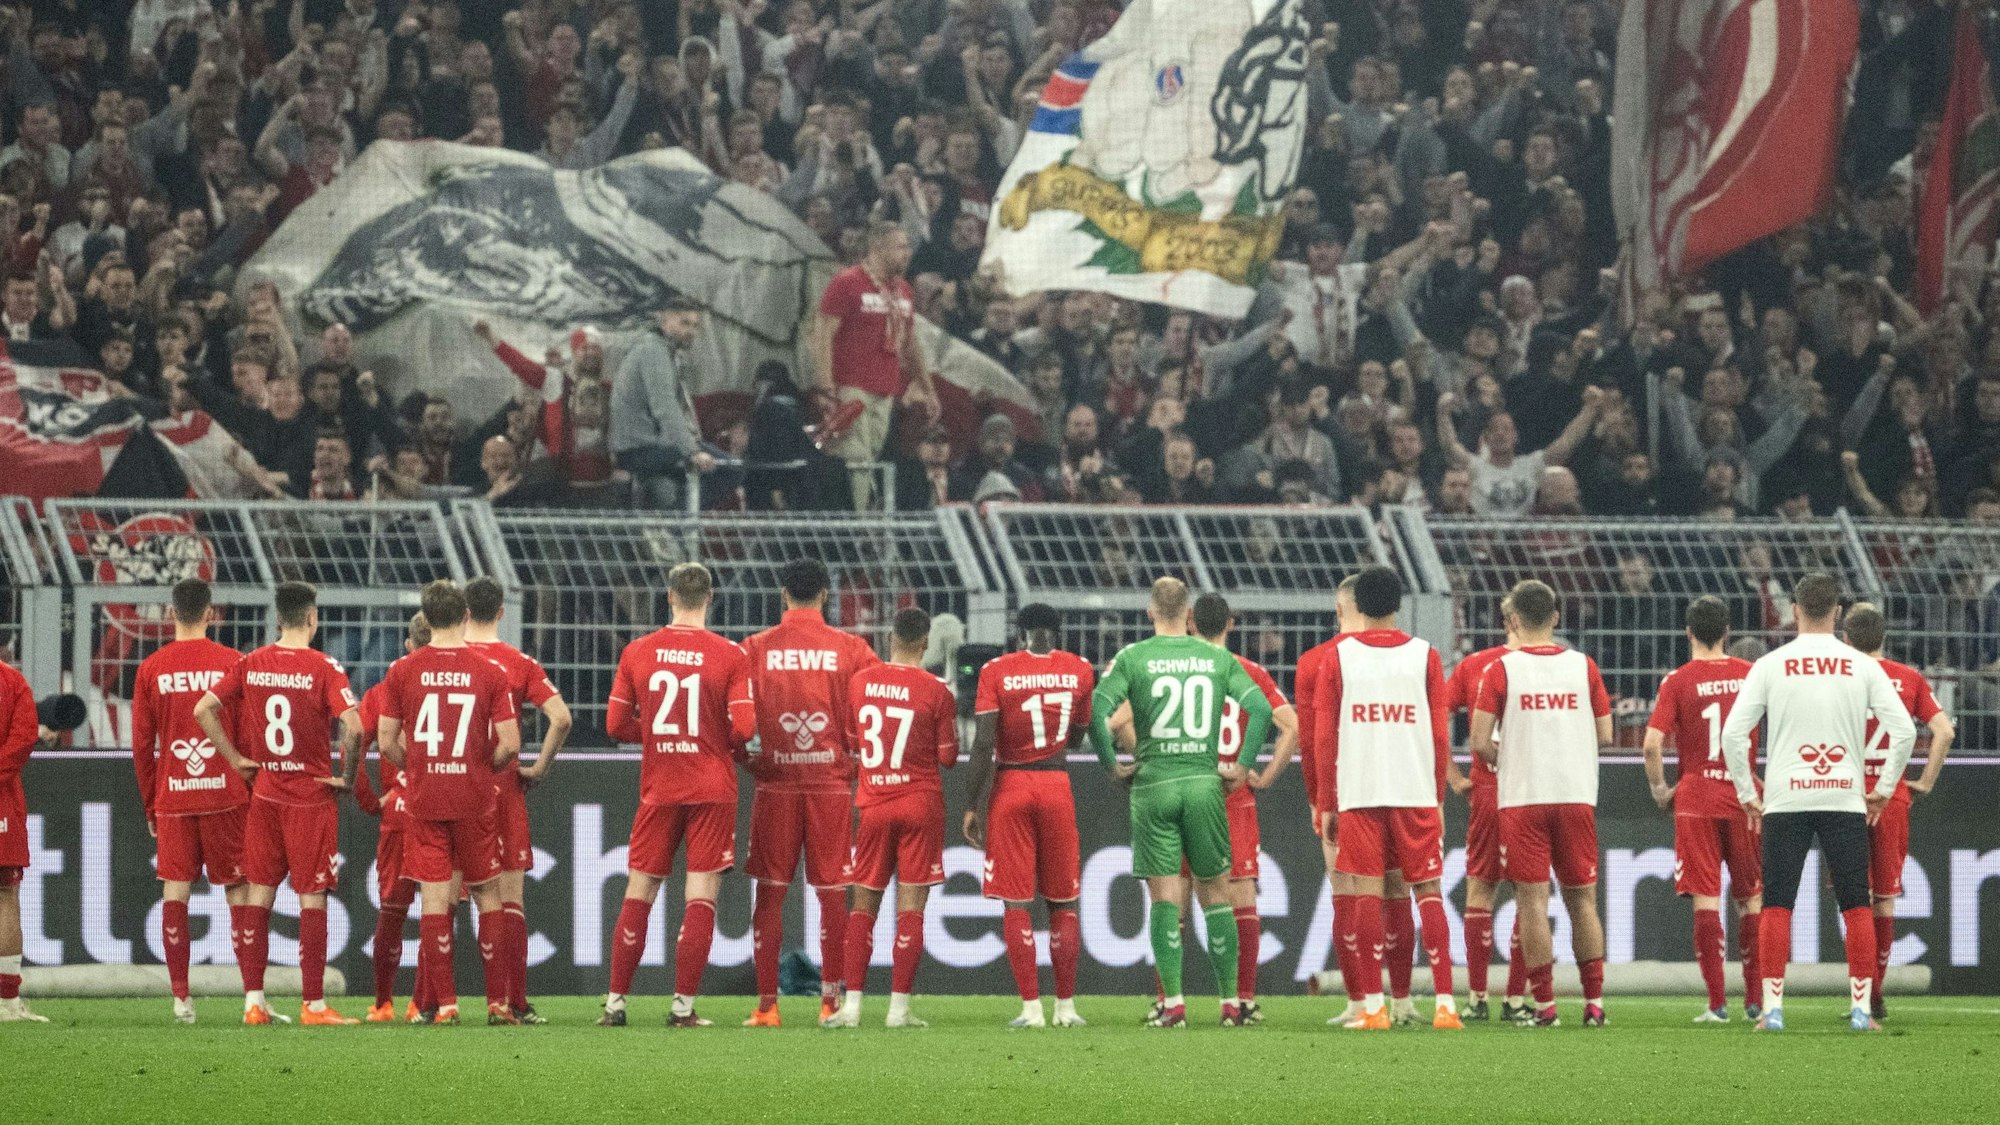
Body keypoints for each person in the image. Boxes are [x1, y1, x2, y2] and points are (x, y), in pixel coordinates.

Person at [1721, 573, 1915, 1033]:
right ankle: (1862, 1012)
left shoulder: (1769, 664)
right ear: (1839, 614)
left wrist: (1749, 794)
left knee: (1777, 903)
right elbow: (1905, 731)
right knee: (1856, 904)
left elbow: (1732, 734)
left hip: (1786, 795)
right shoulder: (1862, 666)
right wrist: (1884, 787)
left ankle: (1772, 1011)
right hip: (1844, 796)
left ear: (1794, 610)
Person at [1087, 577, 1273, 1028]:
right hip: (1204, 783)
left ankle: (1173, 1005)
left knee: (1166, 897)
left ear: (1150, 612)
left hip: (1154, 785)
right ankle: (1232, 1005)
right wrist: (1243, 766)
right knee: (1216, 894)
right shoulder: (1216, 657)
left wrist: (1112, 764)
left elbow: (1095, 710)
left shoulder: (1133, 658)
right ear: (1188, 615)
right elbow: (1264, 711)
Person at [193, 580, 363, 1026]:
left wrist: (235, 759)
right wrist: (345, 778)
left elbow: (203, 710)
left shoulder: (252, 662)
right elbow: (355, 727)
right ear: (312, 619)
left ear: (276, 620)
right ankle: (313, 1005)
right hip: (309, 796)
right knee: (312, 898)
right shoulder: (324, 666)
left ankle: (253, 1002)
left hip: (265, 793)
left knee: (258, 896)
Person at [600, 563, 755, 1028]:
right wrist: (710, 739)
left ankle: (615, 1004)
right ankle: (682, 1007)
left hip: (660, 786)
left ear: (669, 598)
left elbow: (613, 725)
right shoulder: (729, 655)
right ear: (710, 598)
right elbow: (745, 727)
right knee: (700, 895)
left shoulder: (638, 651)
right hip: (711, 788)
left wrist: (655, 737)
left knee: (640, 889)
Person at [739, 558, 882, 1025]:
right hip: (832, 787)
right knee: (832, 895)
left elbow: (732, 720)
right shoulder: (853, 649)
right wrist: (857, 759)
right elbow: (879, 704)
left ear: (783, 594)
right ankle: (828, 1002)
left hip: (775, 784)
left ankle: (767, 1006)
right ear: (825, 595)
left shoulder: (755, 649)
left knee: (770, 896)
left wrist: (753, 763)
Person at [1317, 567, 1459, 1030]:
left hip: (1361, 788)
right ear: (1400, 604)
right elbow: (1441, 734)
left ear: (1356, 605)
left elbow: (1325, 738)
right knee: (1428, 891)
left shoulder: (1338, 658)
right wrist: (1437, 795)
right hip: (1414, 787)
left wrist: (1327, 801)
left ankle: (1374, 1008)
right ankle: (1445, 1005)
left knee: (1367, 893)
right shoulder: (1426, 656)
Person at [376, 580, 523, 1026]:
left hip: (424, 798)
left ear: (426, 616)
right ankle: (497, 1004)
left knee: (434, 900)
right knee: (487, 895)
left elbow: (385, 740)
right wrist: (482, 767)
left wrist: (416, 766)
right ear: (464, 618)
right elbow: (512, 745)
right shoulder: (490, 671)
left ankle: (445, 1005)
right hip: (475, 798)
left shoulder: (402, 670)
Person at [1470, 579, 1613, 1027]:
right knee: (1583, 902)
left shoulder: (1501, 670)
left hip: (1524, 798)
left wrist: (1510, 757)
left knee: (1532, 903)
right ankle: (1594, 1005)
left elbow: (1478, 738)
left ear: (1513, 620)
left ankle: (1546, 1007)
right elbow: (1606, 735)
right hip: (1574, 795)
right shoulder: (1583, 666)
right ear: (1555, 617)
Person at [824, 608, 960, 1028]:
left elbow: (851, 742)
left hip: (875, 802)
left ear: (889, 639)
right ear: (925, 644)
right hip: (920, 804)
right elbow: (948, 757)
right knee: (911, 907)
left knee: (863, 904)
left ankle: (852, 1008)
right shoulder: (937, 691)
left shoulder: (860, 683)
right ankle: (898, 1010)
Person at [964, 603, 1095, 1028]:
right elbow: (1078, 733)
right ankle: (1067, 1008)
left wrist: (971, 802)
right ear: (1057, 632)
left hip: (1013, 785)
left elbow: (983, 744)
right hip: (1057, 784)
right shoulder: (1079, 669)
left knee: (1016, 901)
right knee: (1063, 899)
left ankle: (1031, 1009)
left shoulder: (997, 670)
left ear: (1020, 633)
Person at [129, 579, 251, 1024]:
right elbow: (247, 733)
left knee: (175, 890)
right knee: (239, 891)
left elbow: (142, 746)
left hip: (173, 794)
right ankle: (251, 997)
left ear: (170, 612)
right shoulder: (231, 663)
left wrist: (150, 804)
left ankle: (181, 999)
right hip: (227, 794)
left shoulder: (151, 668)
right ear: (210, 612)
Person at [1642, 595, 1763, 1024]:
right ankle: (1756, 1002)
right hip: (1745, 795)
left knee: (1707, 900)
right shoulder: (1751, 675)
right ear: (1727, 632)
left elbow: (1652, 744)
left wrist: (1660, 789)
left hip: (1696, 797)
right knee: (1751, 899)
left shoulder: (1678, 680)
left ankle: (1716, 1004)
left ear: (1688, 632)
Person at [464, 576, 573, 1025]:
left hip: (454, 789)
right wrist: (539, 767)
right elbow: (562, 717)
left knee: (444, 898)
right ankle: (516, 1002)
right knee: (510, 901)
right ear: (502, 613)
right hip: (503, 789)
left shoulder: (438, 660)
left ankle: (435, 1003)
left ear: (464, 611)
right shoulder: (517, 663)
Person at [1840, 603, 1954, 1022]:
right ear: (1883, 637)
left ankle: (1859, 994)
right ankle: (1875, 995)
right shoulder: (1908, 678)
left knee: (1856, 902)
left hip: (1846, 796)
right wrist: (1924, 782)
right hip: (1891, 799)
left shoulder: (1841, 678)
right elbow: (1944, 730)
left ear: (1846, 639)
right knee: (1884, 898)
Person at [1192, 593, 1297, 1024]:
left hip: (1185, 785)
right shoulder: (1249, 671)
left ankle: (1168, 1004)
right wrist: (1264, 775)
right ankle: (1242, 1001)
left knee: (1173, 895)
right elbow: (1291, 725)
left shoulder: (1179, 670)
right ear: (1231, 625)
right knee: (1240, 896)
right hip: (1232, 794)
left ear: (1190, 624)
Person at [813, 221, 941, 508]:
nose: (908, 253)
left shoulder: (904, 291)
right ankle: (860, 527)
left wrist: (927, 387)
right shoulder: (847, 282)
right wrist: (825, 387)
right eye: (901, 247)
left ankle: (858, 522)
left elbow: (909, 342)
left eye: (908, 247)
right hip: (849, 386)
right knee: (855, 456)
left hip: (885, 389)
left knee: (868, 455)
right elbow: (822, 335)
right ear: (877, 248)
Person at [1443, 597, 1519, 1021]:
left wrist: (1455, 777)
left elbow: (1437, 717)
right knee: (1530, 893)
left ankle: (1477, 997)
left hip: (1488, 791)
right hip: (1534, 792)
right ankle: (1517, 998)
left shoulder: (1477, 665)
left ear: (1508, 620)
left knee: (1480, 890)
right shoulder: (1559, 665)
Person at [354, 612, 428, 1023]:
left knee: (393, 911)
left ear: (406, 645)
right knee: (439, 911)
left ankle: (383, 1004)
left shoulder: (381, 693)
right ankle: (422, 1003)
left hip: (398, 812)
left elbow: (354, 742)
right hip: (438, 807)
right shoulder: (447, 688)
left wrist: (372, 799)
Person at [611, 295, 713, 509]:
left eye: (695, 325)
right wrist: (692, 451)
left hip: (644, 446)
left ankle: (672, 523)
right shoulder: (654, 351)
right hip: (640, 449)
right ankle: (675, 525)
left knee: (705, 468)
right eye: (684, 323)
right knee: (726, 469)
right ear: (664, 321)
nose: (691, 331)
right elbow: (665, 407)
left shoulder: (661, 351)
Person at [0, 652, 40, 1022]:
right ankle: (7, 1003)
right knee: (4, 893)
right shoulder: (12, 683)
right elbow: (25, 737)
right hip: (2, 803)